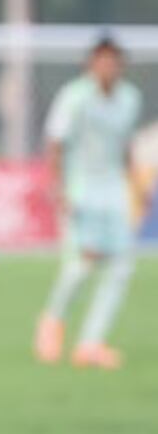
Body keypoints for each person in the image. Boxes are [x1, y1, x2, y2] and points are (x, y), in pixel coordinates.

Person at [35, 36, 143, 369]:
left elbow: (125, 145)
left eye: (114, 61)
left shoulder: (130, 98)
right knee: (81, 265)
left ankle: (91, 343)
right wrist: (59, 188)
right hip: (82, 188)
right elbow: (56, 142)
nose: (108, 67)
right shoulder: (75, 97)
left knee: (121, 267)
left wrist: (135, 185)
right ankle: (52, 321)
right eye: (102, 60)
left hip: (114, 190)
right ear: (91, 64)